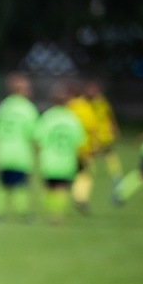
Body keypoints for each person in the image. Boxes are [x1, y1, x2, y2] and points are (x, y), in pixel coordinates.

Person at [0, 73, 39, 220]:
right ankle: (23, 212)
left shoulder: (4, 106)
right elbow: (34, 133)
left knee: (2, 183)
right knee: (20, 184)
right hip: (20, 152)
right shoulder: (27, 108)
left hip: (3, 151)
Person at [35, 82, 86, 223]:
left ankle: (47, 212)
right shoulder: (72, 119)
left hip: (49, 160)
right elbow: (79, 142)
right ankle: (57, 216)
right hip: (66, 160)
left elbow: (38, 139)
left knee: (49, 187)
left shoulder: (47, 117)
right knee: (61, 188)